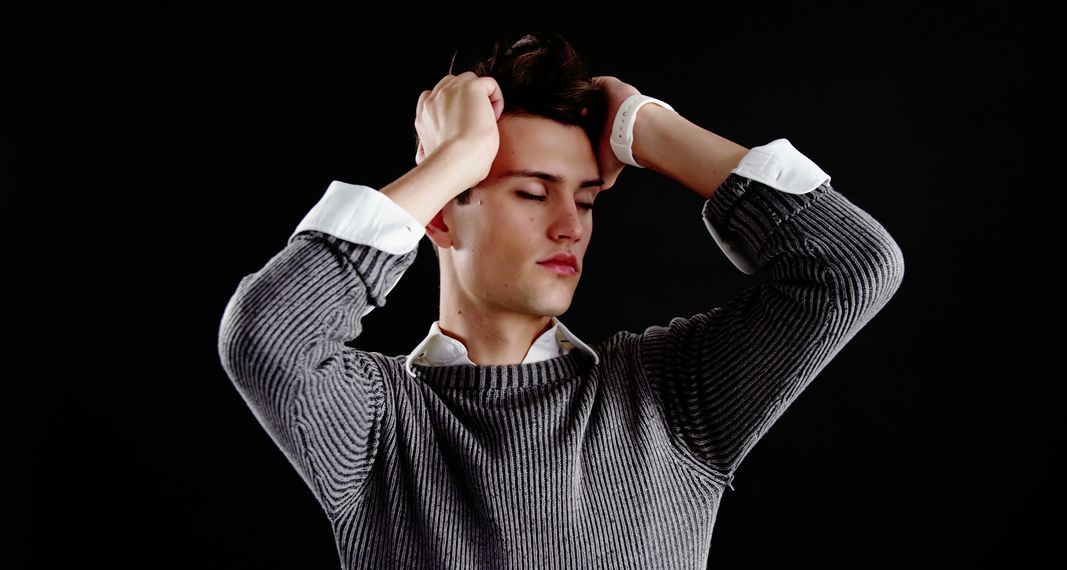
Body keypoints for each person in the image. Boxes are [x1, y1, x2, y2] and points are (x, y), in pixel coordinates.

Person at [217, 31, 904, 569]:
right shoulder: (377, 429)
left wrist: (648, 131)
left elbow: (850, 267)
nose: (570, 226)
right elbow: (266, 336)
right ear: (442, 216)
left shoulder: (670, 399)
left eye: (585, 197)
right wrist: (453, 158)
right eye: (530, 190)